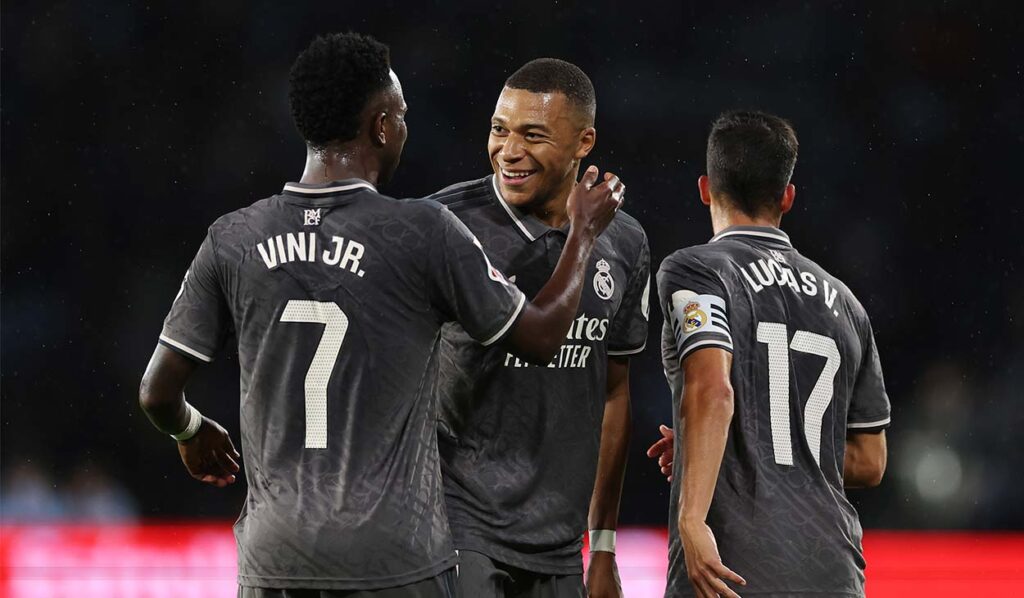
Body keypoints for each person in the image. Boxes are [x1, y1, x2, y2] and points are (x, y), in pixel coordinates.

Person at [138, 33, 625, 598]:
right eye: (402, 114)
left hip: (275, 554)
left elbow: (155, 392)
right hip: (393, 558)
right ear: (383, 127)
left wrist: (191, 430)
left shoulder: (234, 238)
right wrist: (583, 234)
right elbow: (541, 338)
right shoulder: (422, 231)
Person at [427, 59, 650, 598]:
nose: (509, 150)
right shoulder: (442, 223)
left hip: (559, 541)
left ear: (583, 142)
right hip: (457, 526)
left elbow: (614, 394)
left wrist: (602, 545)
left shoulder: (626, 242)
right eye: (499, 129)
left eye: (533, 135)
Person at [647, 111, 889, 597]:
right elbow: (870, 460)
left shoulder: (697, 271)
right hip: (833, 571)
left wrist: (692, 520)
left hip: (736, 566)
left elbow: (712, 387)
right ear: (787, 197)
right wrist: (732, 441)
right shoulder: (846, 303)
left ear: (705, 188)